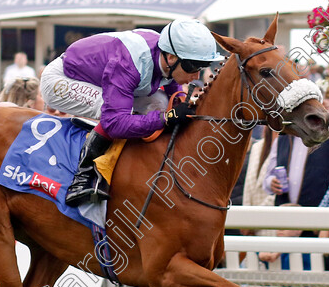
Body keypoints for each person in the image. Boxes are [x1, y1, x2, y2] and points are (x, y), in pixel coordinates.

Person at [40, 19, 223, 206]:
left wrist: (179, 101)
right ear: (171, 58)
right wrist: (166, 118)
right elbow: (115, 123)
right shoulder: (130, 64)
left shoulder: (169, 55)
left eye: (201, 67)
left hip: (104, 75)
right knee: (113, 108)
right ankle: (82, 177)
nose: (196, 76)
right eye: (192, 67)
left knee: (161, 103)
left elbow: (172, 82)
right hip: (61, 80)